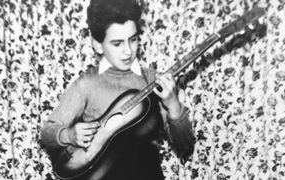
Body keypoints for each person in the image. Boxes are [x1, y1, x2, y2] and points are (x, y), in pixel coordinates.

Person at [41, 0, 195, 179]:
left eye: (133, 39)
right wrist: (68, 134)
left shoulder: (154, 79)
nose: (128, 51)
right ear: (98, 45)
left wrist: (173, 104)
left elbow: (186, 146)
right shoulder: (87, 83)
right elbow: (47, 133)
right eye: (117, 43)